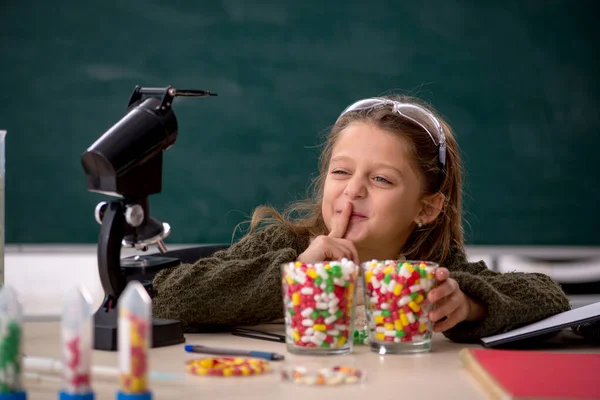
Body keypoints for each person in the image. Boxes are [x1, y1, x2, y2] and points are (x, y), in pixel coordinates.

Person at [150, 94, 570, 343]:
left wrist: (472, 306)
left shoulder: (435, 275)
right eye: (341, 172)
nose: (353, 191)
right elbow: (168, 296)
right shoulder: (284, 247)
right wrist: (295, 274)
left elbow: (548, 296)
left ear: (426, 207)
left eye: (382, 179)